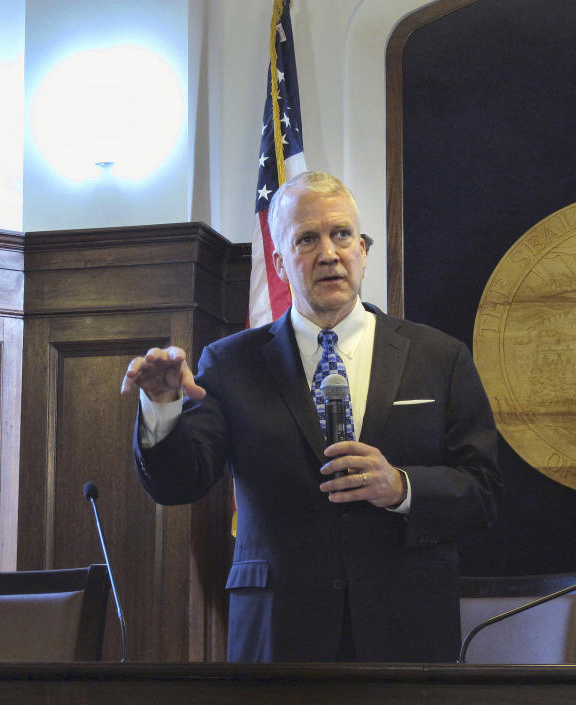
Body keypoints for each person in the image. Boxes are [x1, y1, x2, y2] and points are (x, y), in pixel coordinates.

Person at [121, 171, 501, 662]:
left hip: (406, 632)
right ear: (279, 263)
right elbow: (179, 484)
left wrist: (403, 487)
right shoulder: (230, 362)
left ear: (363, 250)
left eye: (341, 234)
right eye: (307, 239)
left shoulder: (439, 357)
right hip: (280, 636)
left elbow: (485, 492)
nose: (329, 253)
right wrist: (162, 407)